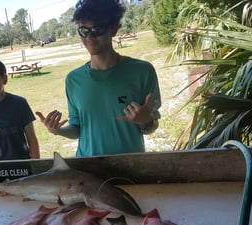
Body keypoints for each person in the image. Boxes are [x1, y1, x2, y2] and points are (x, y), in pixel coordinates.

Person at [36, 0, 161, 157]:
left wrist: (146, 121)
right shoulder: (73, 80)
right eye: (84, 30)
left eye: (97, 29)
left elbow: (151, 126)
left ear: (113, 29)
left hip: (130, 166)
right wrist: (57, 130)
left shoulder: (142, 71)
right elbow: (77, 128)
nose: (90, 37)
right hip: (87, 170)